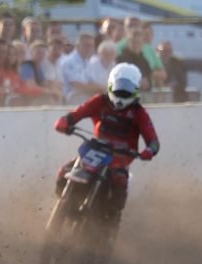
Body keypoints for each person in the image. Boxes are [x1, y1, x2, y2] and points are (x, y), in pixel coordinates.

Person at [51, 62, 159, 231]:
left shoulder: (139, 113)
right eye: (119, 88)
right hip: (95, 149)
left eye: (128, 89)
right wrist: (64, 122)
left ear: (136, 90)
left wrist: (148, 151)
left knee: (120, 182)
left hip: (120, 157)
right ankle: (64, 202)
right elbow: (76, 113)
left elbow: (152, 140)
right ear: (110, 85)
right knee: (65, 170)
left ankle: (110, 223)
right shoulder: (99, 101)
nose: (122, 93)